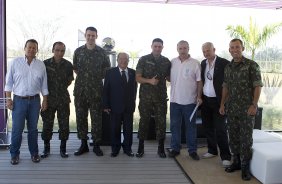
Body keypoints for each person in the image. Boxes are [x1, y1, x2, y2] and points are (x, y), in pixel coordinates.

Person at [219, 38, 263, 181]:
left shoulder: (251, 65)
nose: (235, 50)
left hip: (246, 109)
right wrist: (222, 104)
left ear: (242, 48)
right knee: (233, 137)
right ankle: (236, 162)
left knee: (245, 139)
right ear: (229, 49)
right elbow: (225, 87)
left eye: (237, 47)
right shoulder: (228, 67)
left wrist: (254, 105)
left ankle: (245, 167)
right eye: (232, 47)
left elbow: (257, 86)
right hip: (231, 108)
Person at [5, 39, 48, 165]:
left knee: (33, 129)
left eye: (34, 48)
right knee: (17, 129)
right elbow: (8, 84)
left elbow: (44, 85)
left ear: (37, 50)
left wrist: (45, 100)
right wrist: (9, 99)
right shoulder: (15, 63)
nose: (31, 50)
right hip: (19, 101)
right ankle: (14, 154)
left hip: (35, 101)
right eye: (29, 47)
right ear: (24, 48)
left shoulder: (41, 65)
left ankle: (34, 153)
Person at [73, 26, 111, 156]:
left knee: (96, 119)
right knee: (81, 118)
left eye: (93, 35)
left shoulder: (101, 52)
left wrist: (94, 77)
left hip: (96, 91)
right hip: (81, 91)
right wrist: (86, 78)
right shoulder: (78, 51)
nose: (90, 37)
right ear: (85, 35)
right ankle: (83, 144)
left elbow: (107, 70)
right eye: (88, 35)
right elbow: (76, 69)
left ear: (96, 36)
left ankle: (96, 145)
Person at [135, 38, 171, 158]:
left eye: (159, 46)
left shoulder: (166, 61)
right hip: (146, 98)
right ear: (151, 46)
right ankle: (141, 148)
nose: (157, 48)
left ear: (162, 47)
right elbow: (138, 78)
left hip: (161, 98)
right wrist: (149, 81)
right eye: (155, 46)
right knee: (144, 121)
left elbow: (170, 78)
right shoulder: (144, 59)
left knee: (161, 123)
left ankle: (161, 148)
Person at [168, 40, 202, 161]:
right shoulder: (172, 62)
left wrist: (199, 96)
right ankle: (175, 149)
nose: (183, 50)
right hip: (174, 101)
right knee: (175, 126)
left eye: (185, 48)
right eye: (180, 48)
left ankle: (192, 151)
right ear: (177, 49)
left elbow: (199, 81)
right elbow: (167, 77)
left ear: (188, 49)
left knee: (191, 127)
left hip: (190, 102)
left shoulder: (195, 63)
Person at [200, 42, 231, 167]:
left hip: (219, 102)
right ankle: (212, 150)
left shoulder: (224, 63)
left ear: (214, 49)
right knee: (208, 127)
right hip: (206, 101)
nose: (206, 53)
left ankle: (226, 156)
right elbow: (202, 80)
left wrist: (223, 104)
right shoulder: (203, 63)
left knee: (220, 129)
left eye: (208, 50)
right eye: (204, 51)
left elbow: (227, 85)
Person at [41, 42, 74, 158]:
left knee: (64, 125)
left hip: (63, 99)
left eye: (62, 51)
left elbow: (70, 80)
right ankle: (46, 148)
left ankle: (63, 149)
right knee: (47, 124)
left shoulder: (68, 65)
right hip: (49, 99)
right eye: (57, 50)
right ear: (53, 50)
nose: (59, 53)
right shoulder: (44, 64)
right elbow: (41, 81)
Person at [103, 52, 137, 157]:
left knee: (128, 129)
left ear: (128, 61)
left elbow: (134, 90)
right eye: (121, 59)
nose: (123, 61)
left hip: (128, 107)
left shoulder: (133, 72)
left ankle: (127, 148)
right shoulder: (110, 72)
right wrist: (106, 105)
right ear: (117, 60)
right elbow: (106, 90)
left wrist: (132, 103)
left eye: (126, 59)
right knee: (115, 129)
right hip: (114, 106)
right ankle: (115, 148)